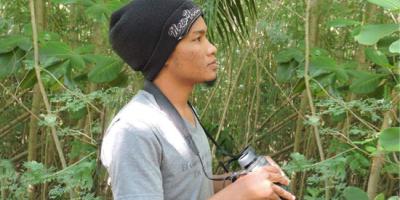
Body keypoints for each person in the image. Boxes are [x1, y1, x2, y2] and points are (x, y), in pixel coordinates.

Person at [100, 0, 296, 199]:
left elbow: (189, 188)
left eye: (206, 37)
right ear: (164, 54)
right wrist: (241, 194)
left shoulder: (186, 112)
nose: (212, 48)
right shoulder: (134, 130)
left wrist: (242, 179)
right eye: (197, 39)